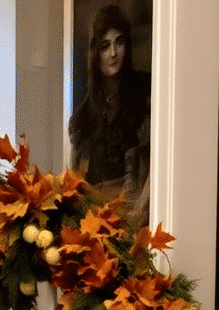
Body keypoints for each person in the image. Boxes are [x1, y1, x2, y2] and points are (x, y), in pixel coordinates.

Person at [68, 4, 150, 229]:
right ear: (96, 53)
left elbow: (156, 173)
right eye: (105, 46)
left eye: (119, 42)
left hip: (138, 220)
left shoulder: (146, 96)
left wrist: (134, 219)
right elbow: (75, 184)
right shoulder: (83, 118)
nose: (113, 53)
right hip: (95, 226)